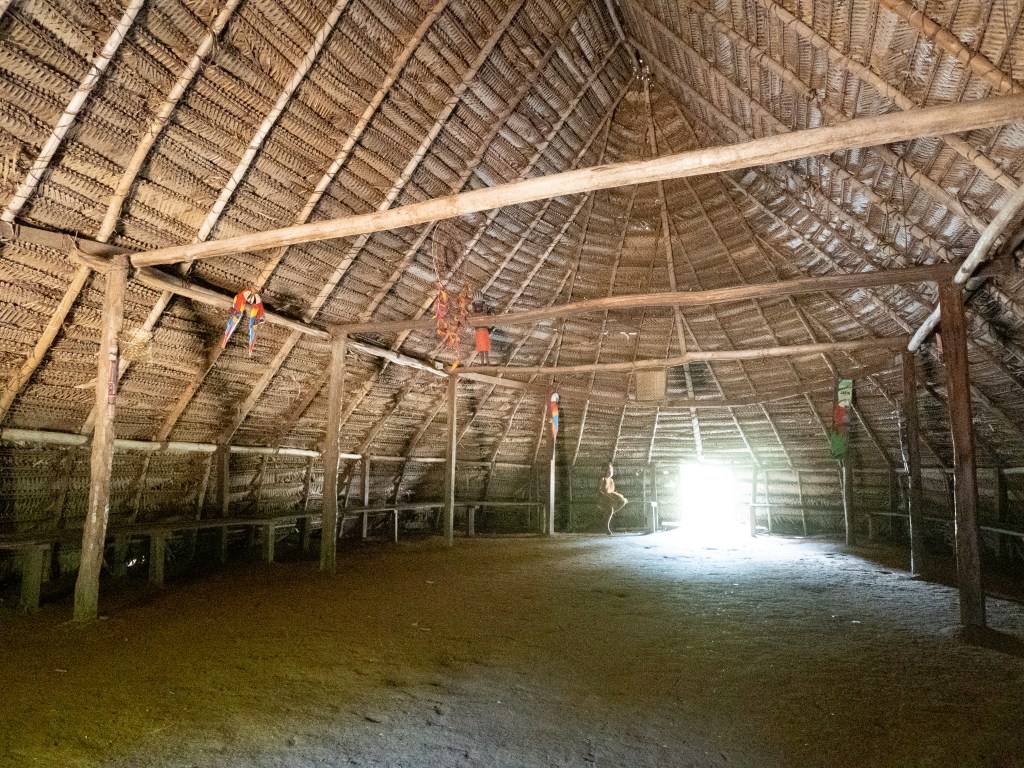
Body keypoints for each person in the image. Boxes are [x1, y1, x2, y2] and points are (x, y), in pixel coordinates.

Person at [598, 462, 627, 535]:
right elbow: (598, 490)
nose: (611, 472)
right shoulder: (602, 479)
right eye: (609, 471)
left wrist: (620, 496)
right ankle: (606, 527)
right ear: (605, 471)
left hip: (610, 496)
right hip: (602, 497)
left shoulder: (611, 480)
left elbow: (612, 491)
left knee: (623, 501)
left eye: (612, 471)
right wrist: (607, 496)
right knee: (610, 509)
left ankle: (607, 515)